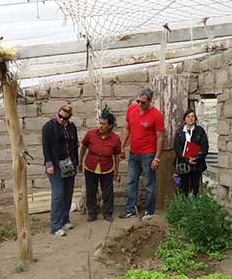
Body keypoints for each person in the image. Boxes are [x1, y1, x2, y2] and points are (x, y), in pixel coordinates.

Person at [119, 87, 165, 220]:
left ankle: (149, 211)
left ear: (150, 101)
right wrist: (122, 146)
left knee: (149, 184)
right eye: (138, 101)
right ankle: (130, 209)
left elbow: (160, 137)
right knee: (132, 182)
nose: (139, 104)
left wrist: (157, 157)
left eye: (143, 102)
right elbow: (127, 128)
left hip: (148, 154)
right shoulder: (132, 109)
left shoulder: (156, 115)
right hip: (134, 153)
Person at [42, 104, 79, 237]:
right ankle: (55, 225)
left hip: (69, 164)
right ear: (58, 113)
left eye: (65, 118)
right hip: (55, 165)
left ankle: (65, 219)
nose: (62, 119)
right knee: (58, 194)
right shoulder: (49, 127)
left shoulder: (71, 127)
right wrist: (49, 164)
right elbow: (46, 147)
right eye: (60, 116)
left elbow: (74, 144)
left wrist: (76, 162)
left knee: (68, 193)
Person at [78, 109, 122, 222]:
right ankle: (92, 213)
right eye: (100, 123)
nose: (100, 126)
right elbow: (83, 147)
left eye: (103, 124)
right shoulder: (91, 134)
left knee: (107, 192)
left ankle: (107, 213)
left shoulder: (115, 139)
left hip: (107, 169)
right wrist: (80, 162)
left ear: (110, 126)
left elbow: (117, 156)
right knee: (91, 191)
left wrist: (116, 171)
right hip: (90, 167)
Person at [173, 109, 209, 196]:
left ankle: (194, 206)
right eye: (188, 116)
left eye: (193, 116)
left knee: (195, 188)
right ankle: (184, 206)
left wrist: (196, 158)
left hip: (197, 164)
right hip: (184, 164)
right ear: (184, 119)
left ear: (195, 118)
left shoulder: (200, 131)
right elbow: (177, 149)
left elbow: (205, 147)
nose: (190, 118)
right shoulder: (180, 132)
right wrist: (186, 159)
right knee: (184, 188)